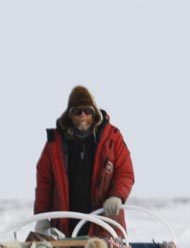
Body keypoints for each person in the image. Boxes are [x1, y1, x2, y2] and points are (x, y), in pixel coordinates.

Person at [34, 85, 135, 238]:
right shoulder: (54, 144)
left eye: (87, 111)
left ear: (94, 114)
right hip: (64, 230)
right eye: (77, 111)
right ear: (70, 115)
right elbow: (44, 182)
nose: (82, 115)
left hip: (105, 225)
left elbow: (125, 172)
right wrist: (41, 217)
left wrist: (117, 196)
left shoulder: (112, 138)